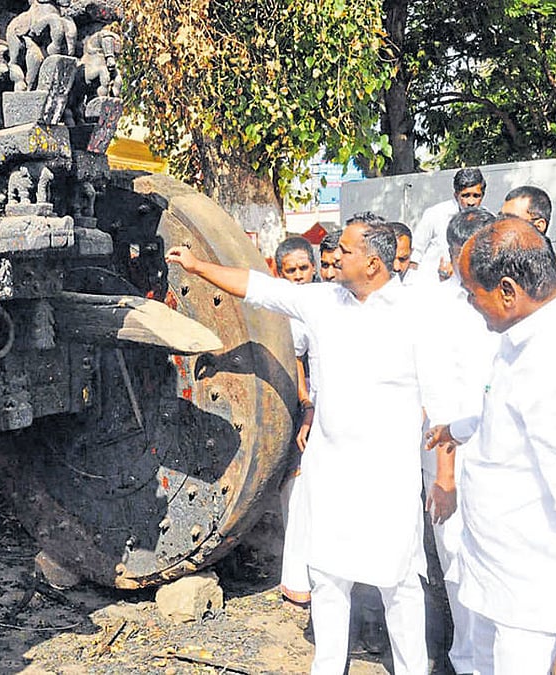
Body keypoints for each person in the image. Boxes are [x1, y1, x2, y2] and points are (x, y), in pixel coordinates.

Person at [166, 214, 450, 675]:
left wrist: (445, 479)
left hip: (388, 478)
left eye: (349, 251)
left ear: (375, 264)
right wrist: (198, 266)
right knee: (328, 577)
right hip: (330, 471)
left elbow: (442, 410)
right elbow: (256, 286)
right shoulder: (326, 301)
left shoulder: (416, 314)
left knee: (399, 584)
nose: (336, 256)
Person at [427, 217, 556, 674]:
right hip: (508, 596)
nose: (470, 303)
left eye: (473, 292)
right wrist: (462, 428)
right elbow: (514, 419)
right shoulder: (523, 339)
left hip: (542, 620)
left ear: (508, 291)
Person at [419, 207, 499, 675]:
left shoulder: (501, 298)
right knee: (457, 561)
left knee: (496, 557)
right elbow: (439, 397)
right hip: (454, 458)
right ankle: (468, 661)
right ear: (455, 254)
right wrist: (445, 475)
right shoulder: (437, 308)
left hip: (500, 455)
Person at [273, 237, 318, 607]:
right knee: (296, 492)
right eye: (292, 271)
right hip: (297, 408)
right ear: (278, 272)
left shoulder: (324, 301)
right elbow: (296, 362)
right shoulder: (278, 312)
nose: (300, 276)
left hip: (322, 406)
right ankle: (296, 578)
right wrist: (305, 405)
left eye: (304, 268)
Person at [499, 185, 556, 317]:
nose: (501, 227)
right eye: (500, 219)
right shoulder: (495, 274)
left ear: (539, 226)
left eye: (509, 220)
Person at [411, 168, 486, 283]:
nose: (471, 202)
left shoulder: (487, 221)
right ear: (456, 195)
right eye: (466, 196)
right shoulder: (435, 214)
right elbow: (415, 254)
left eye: (476, 196)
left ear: (483, 195)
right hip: (432, 285)